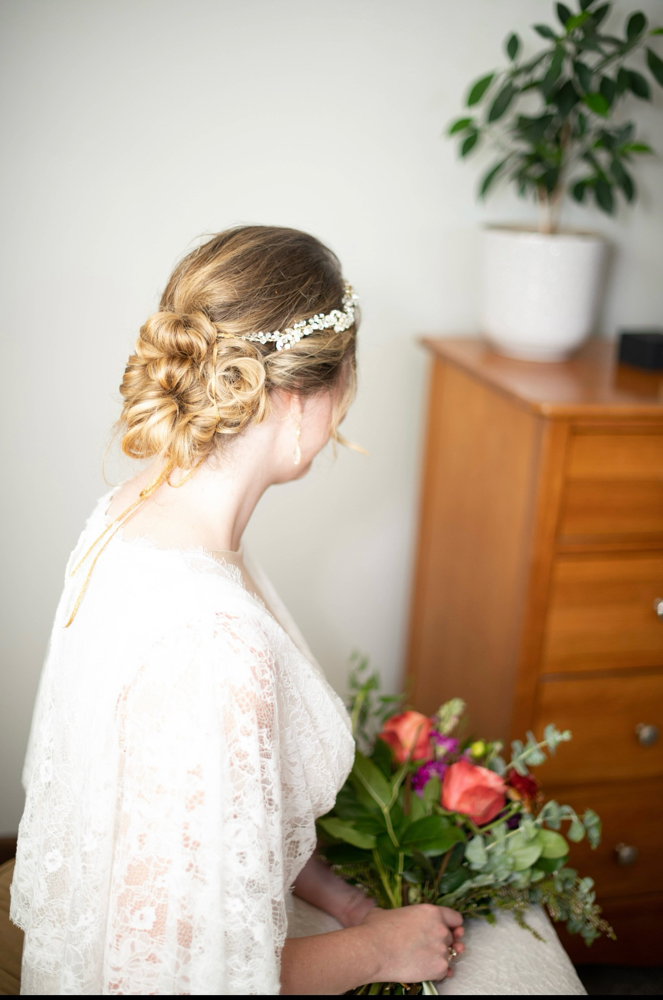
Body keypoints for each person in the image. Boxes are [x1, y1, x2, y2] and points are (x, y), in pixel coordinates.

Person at [10, 226, 586, 996]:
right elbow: (175, 979)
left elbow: (200, 806)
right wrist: (380, 951)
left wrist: (347, 902)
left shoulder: (136, 512)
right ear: (297, 397)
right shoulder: (214, 642)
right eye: (349, 378)